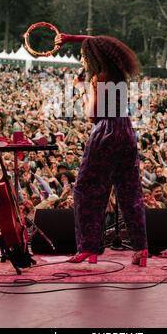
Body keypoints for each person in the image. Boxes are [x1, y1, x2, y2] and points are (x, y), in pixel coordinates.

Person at [54, 33, 148, 266]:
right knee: (130, 192)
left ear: (92, 58)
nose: (81, 61)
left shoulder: (99, 78)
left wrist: (84, 90)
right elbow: (97, 40)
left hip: (105, 132)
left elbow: (93, 115)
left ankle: (89, 248)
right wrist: (70, 38)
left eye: (83, 57)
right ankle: (141, 249)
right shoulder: (120, 76)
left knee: (85, 190)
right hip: (126, 130)